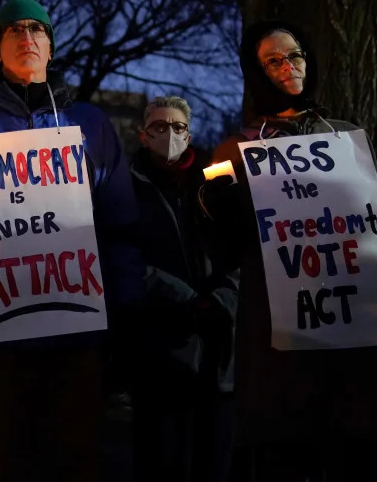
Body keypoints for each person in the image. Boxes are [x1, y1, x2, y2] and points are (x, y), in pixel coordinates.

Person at [0, 0, 146, 481]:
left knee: (75, 459)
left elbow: (121, 224)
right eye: (14, 30)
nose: (26, 37)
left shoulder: (89, 125)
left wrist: (127, 314)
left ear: (51, 46)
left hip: (78, 331)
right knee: (3, 461)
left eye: (36, 29)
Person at [203, 20, 377, 481]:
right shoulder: (239, 150)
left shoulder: (346, 139)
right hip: (284, 358)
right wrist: (217, 208)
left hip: (360, 349)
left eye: (295, 55)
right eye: (273, 60)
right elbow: (223, 253)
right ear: (256, 72)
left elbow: (375, 236)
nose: (289, 66)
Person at [128, 96, 237, 482]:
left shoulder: (218, 182)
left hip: (218, 349)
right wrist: (185, 300)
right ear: (143, 136)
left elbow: (245, 248)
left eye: (177, 127)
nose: (168, 134)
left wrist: (223, 300)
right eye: (159, 126)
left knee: (214, 461)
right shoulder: (126, 187)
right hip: (160, 349)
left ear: (189, 135)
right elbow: (123, 257)